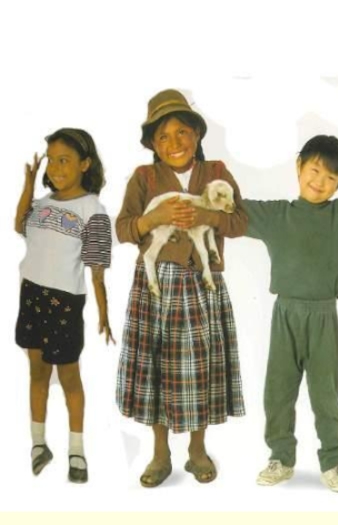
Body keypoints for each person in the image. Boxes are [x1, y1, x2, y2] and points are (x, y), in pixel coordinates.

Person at [116, 89, 247, 487]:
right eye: (163, 137)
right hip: (157, 285)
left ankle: (197, 449)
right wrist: (154, 216)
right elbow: (124, 228)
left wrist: (209, 216)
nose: (174, 143)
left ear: (197, 135)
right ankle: (160, 452)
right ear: (153, 145)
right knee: (156, 366)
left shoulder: (216, 172)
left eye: (182, 133)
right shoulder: (144, 178)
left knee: (199, 366)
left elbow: (240, 222)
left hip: (203, 285)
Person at [244, 134, 338, 493]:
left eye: (331, 177)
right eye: (314, 170)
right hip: (285, 314)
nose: (320, 182)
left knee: (325, 393)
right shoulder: (276, 215)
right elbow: (227, 211)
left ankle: (333, 461)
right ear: (299, 166)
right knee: (278, 391)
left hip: (323, 316)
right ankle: (281, 458)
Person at [15, 128, 113, 483]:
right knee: (37, 372)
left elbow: (97, 270)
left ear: (85, 164)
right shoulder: (41, 204)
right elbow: (18, 225)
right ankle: (38, 444)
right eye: (51, 160)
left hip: (65, 304)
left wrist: (104, 314)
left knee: (69, 376)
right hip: (31, 296)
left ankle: (76, 450)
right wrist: (29, 185)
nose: (55, 168)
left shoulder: (93, 210)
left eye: (64, 160)